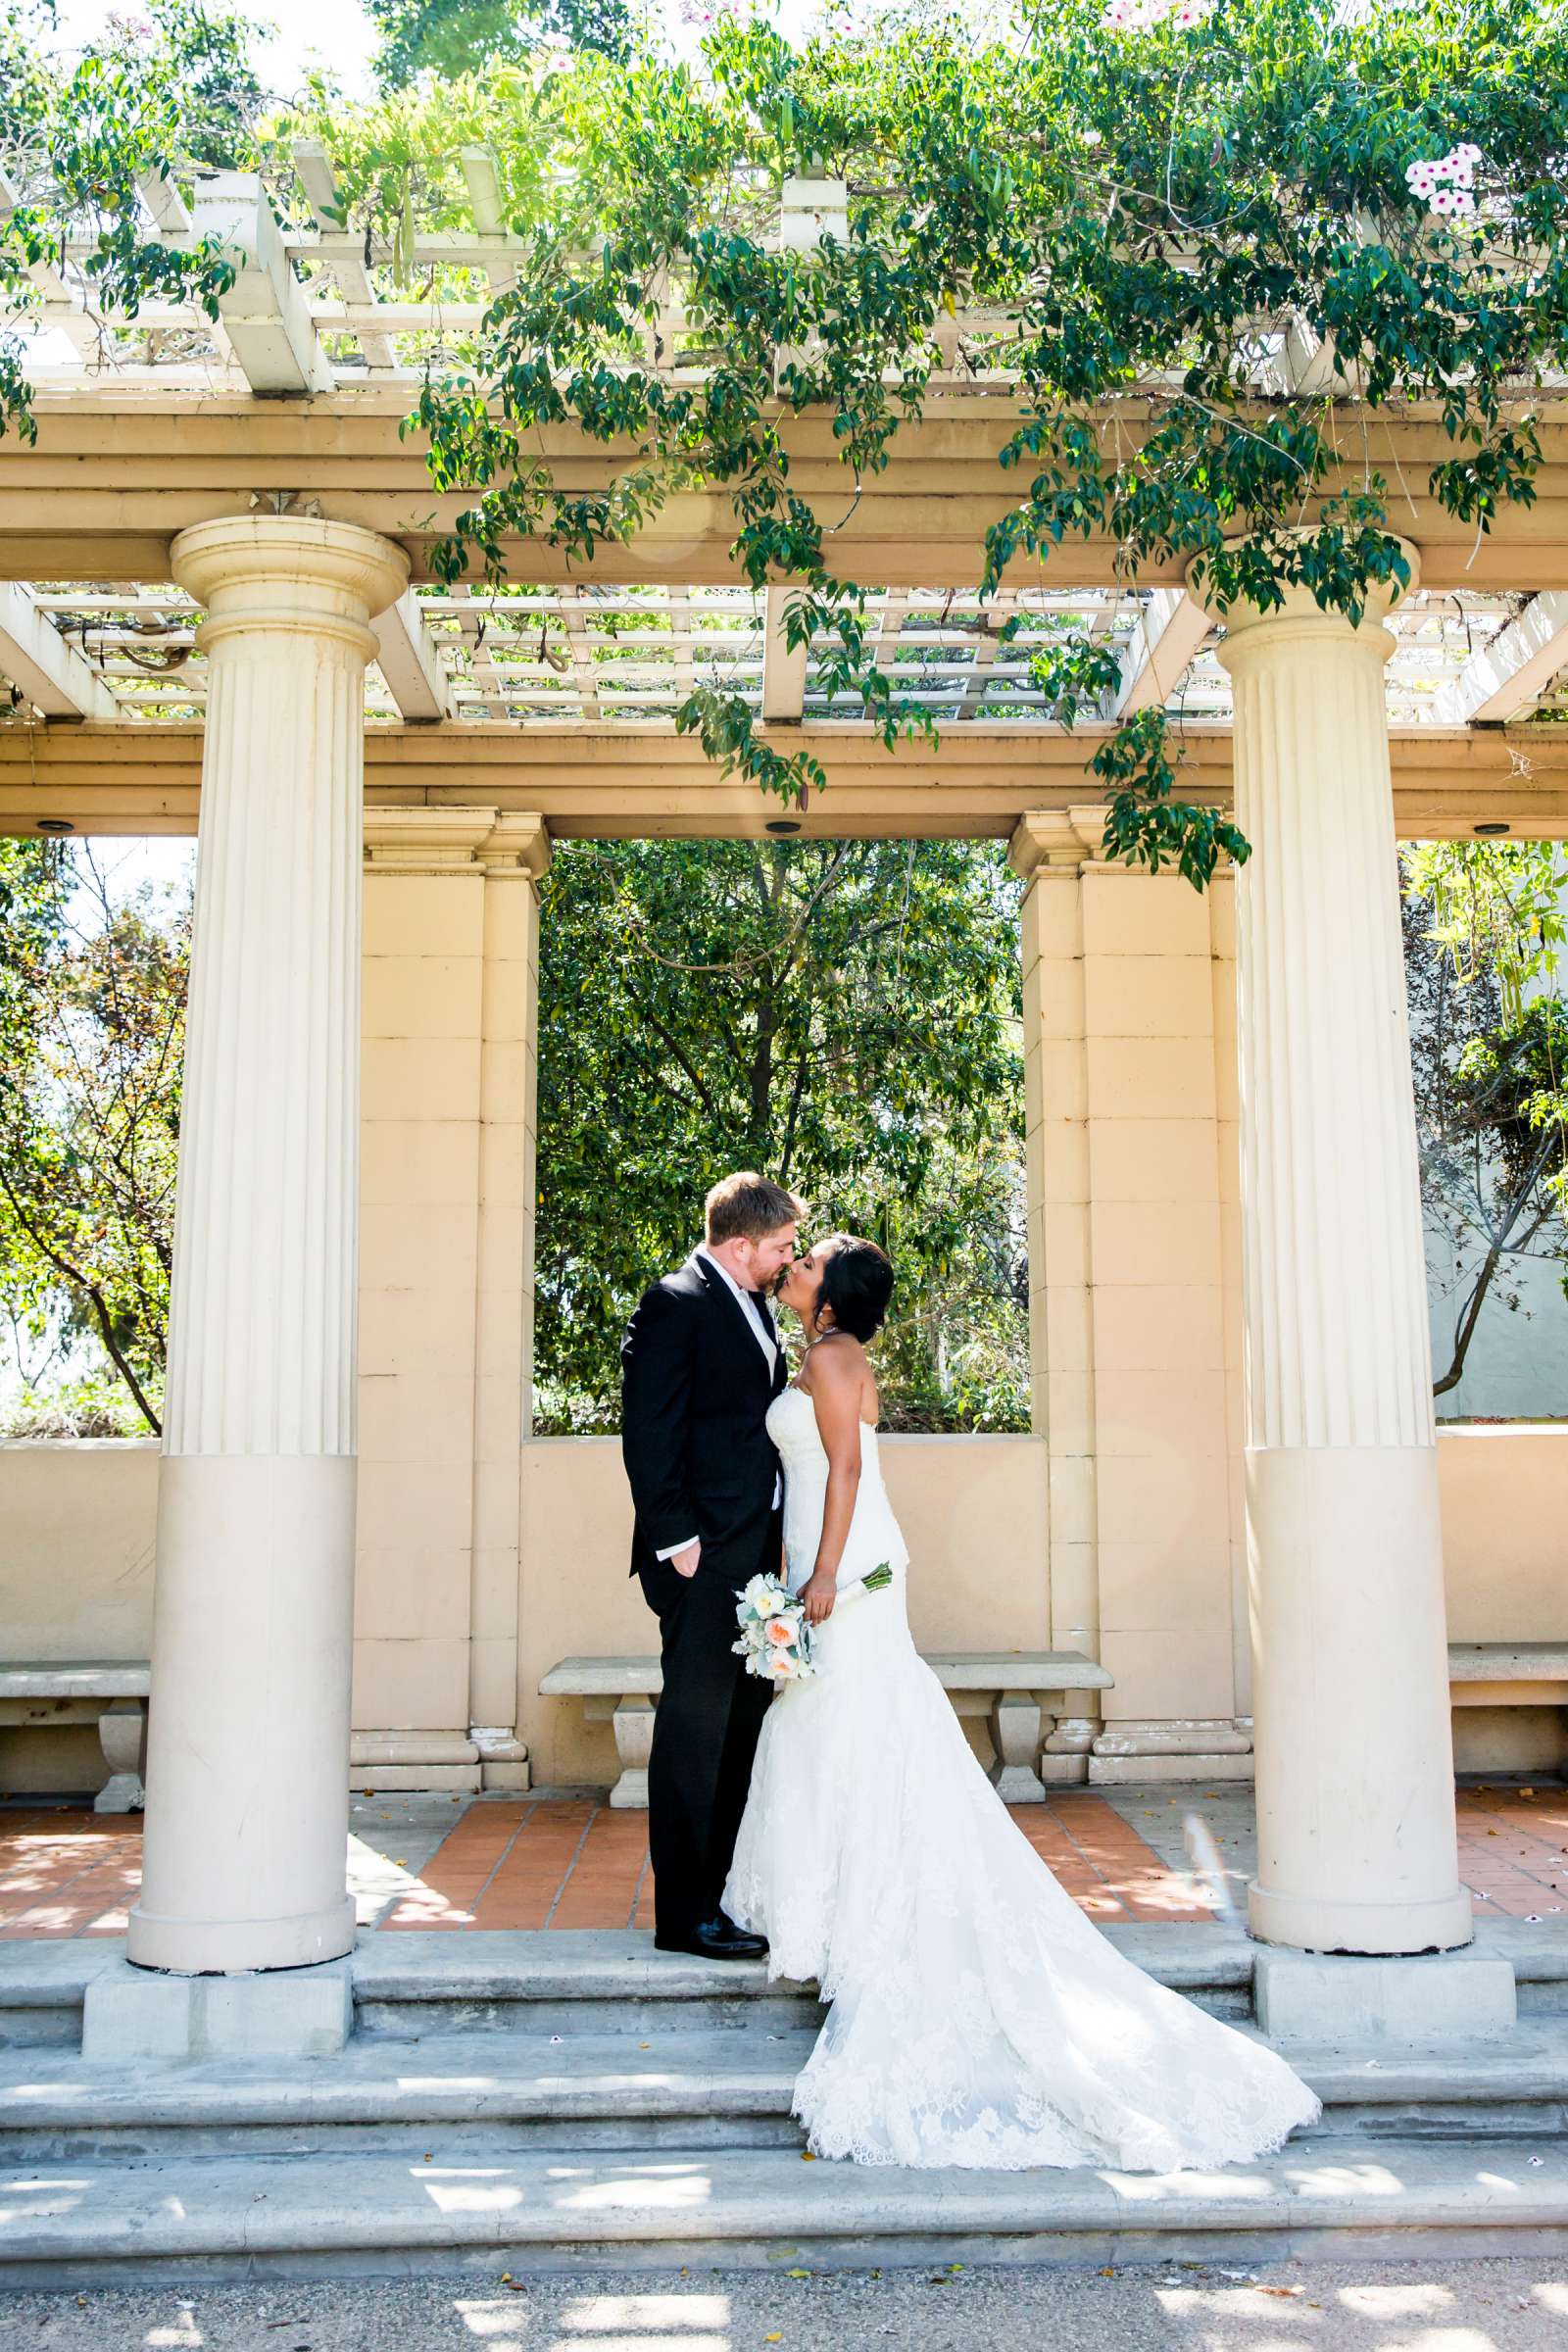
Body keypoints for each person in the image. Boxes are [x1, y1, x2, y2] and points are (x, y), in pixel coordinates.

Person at [724, 1232, 1322, 2170]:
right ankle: (839, 1910)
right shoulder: (816, 1353)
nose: (793, 1271)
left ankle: (865, 1913)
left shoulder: (835, 1358)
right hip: (815, 1558)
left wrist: (826, 1574)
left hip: (846, 1564)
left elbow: (843, 1469)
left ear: (832, 1293)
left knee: (854, 1724)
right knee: (835, 1727)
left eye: (807, 1265)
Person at [620, 1171, 805, 1960]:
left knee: (740, 1724)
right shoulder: (676, 1302)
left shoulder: (752, 1302)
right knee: (695, 1732)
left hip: (753, 1550)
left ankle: (718, 1895)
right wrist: (678, 1541)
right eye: (780, 1248)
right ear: (739, 1245)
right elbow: (647, 1429)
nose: (787, 1261)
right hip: (702, 1557)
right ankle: (682, 1916)